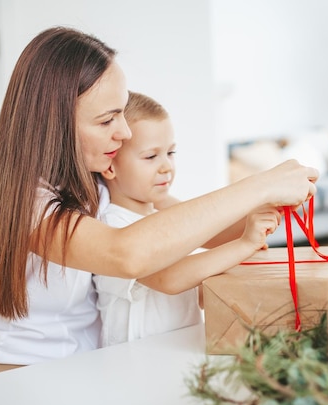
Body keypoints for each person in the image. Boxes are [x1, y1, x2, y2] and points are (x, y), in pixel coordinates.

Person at [0, 26, 318, 379]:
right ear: (55, 124)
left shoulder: (96, 183)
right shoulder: (31, 203)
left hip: (85, 369)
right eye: (107, 120)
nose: (125, 133)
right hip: (14, 375)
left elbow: (196, 228)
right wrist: (260, 186)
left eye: (120, 113)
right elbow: (127, 254)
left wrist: (270, 210)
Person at [94, 91, 281, 346]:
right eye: (151, 156)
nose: (166, 167)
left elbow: (197, 281)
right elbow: (169, 279)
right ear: (110, 165)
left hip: (179, 349)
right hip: (135, 361)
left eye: (171, 153)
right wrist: (244, 244)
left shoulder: (168, 218)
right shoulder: (111, 226)